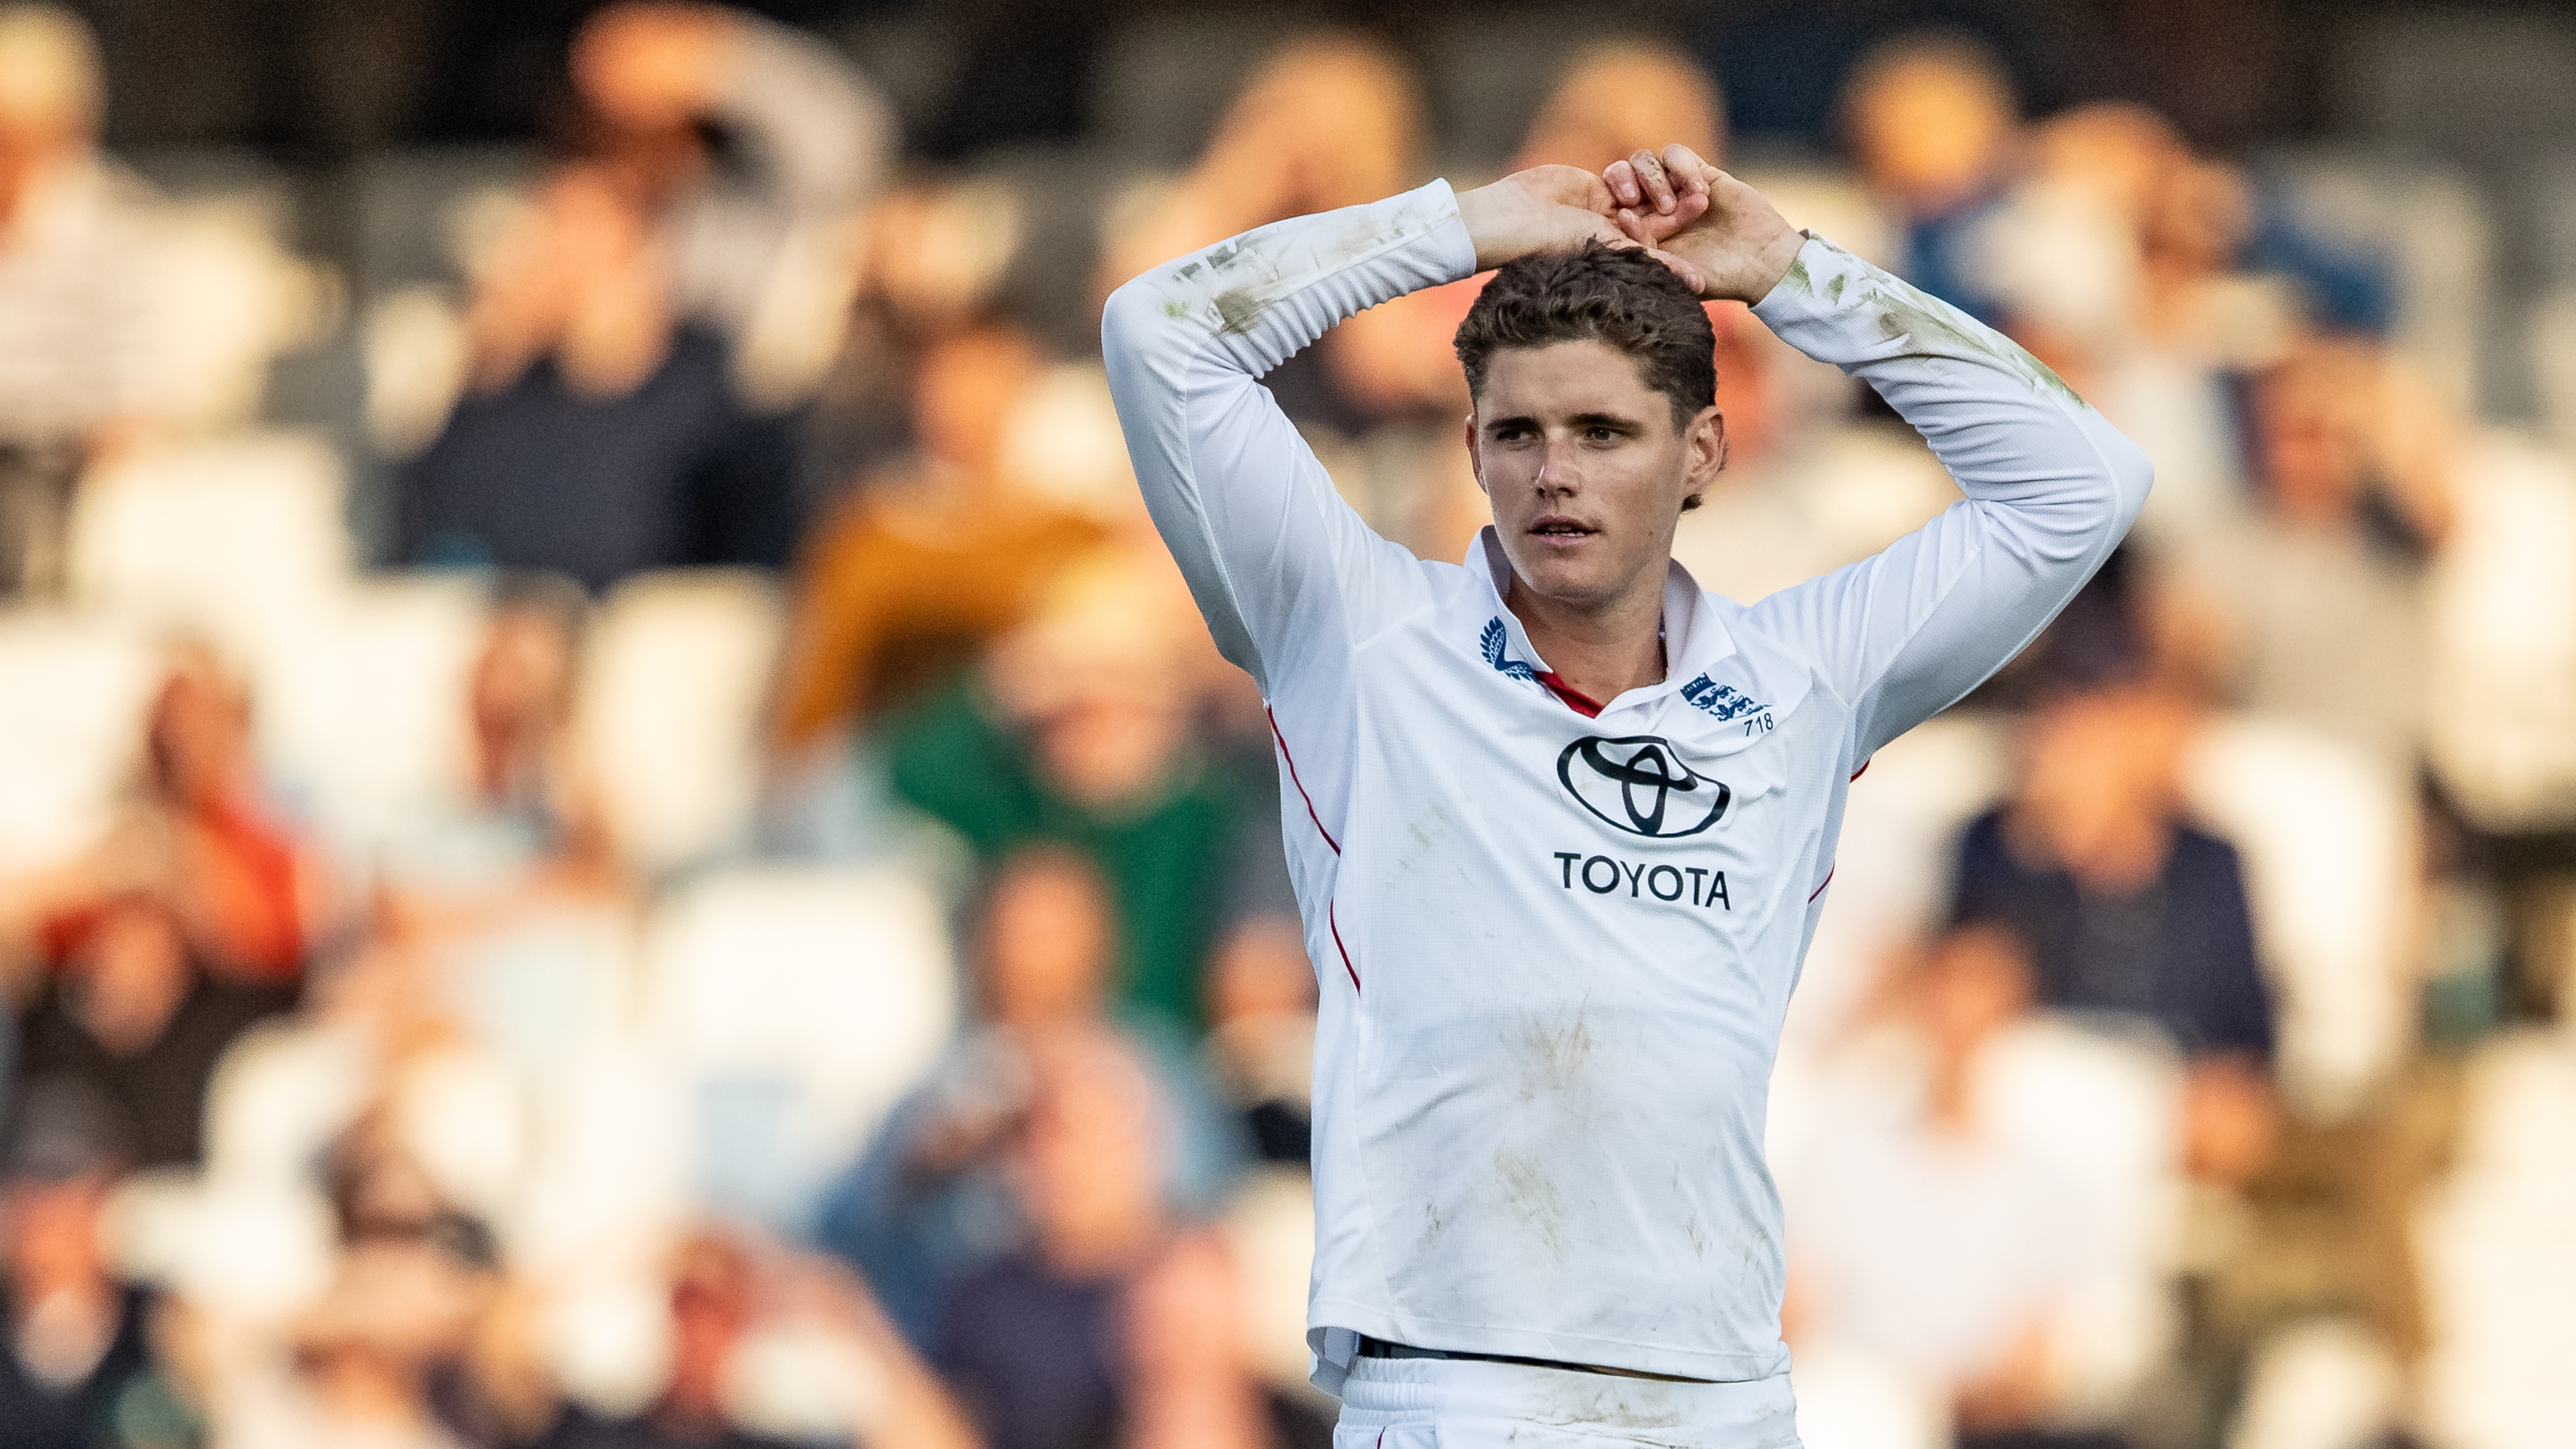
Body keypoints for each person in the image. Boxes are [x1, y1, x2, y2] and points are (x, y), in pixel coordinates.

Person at [1101, 133, 2149, 1442]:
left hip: (1723, 1396)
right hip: (1450, 1388)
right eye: (1518, 431)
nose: (1556, 472)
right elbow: (1158, 331)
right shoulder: (1358, 642)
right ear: (1472, 448)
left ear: (1702, 454)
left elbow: (2085, 481)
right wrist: (1462, 227)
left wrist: (1792, 275)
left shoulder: (1801, 681)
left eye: (1605, 431)